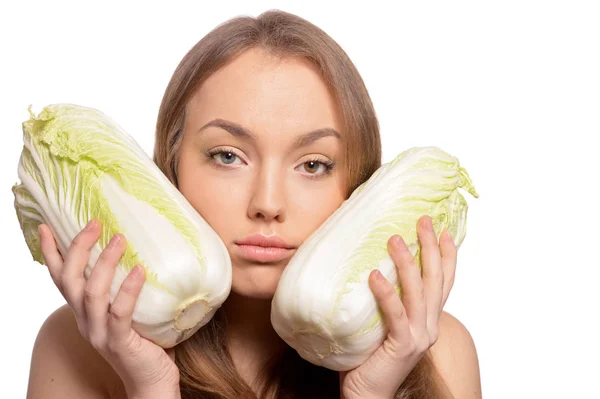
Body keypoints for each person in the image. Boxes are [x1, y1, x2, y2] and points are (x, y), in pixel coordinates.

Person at [26, 10, 481, 399]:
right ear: (170, 167)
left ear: (359, 187)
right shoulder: (77, 345)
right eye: (228, 156)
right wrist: (149, 387)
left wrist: (370, 394)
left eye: (313, 164)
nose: (267, 204)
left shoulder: (439, 350)